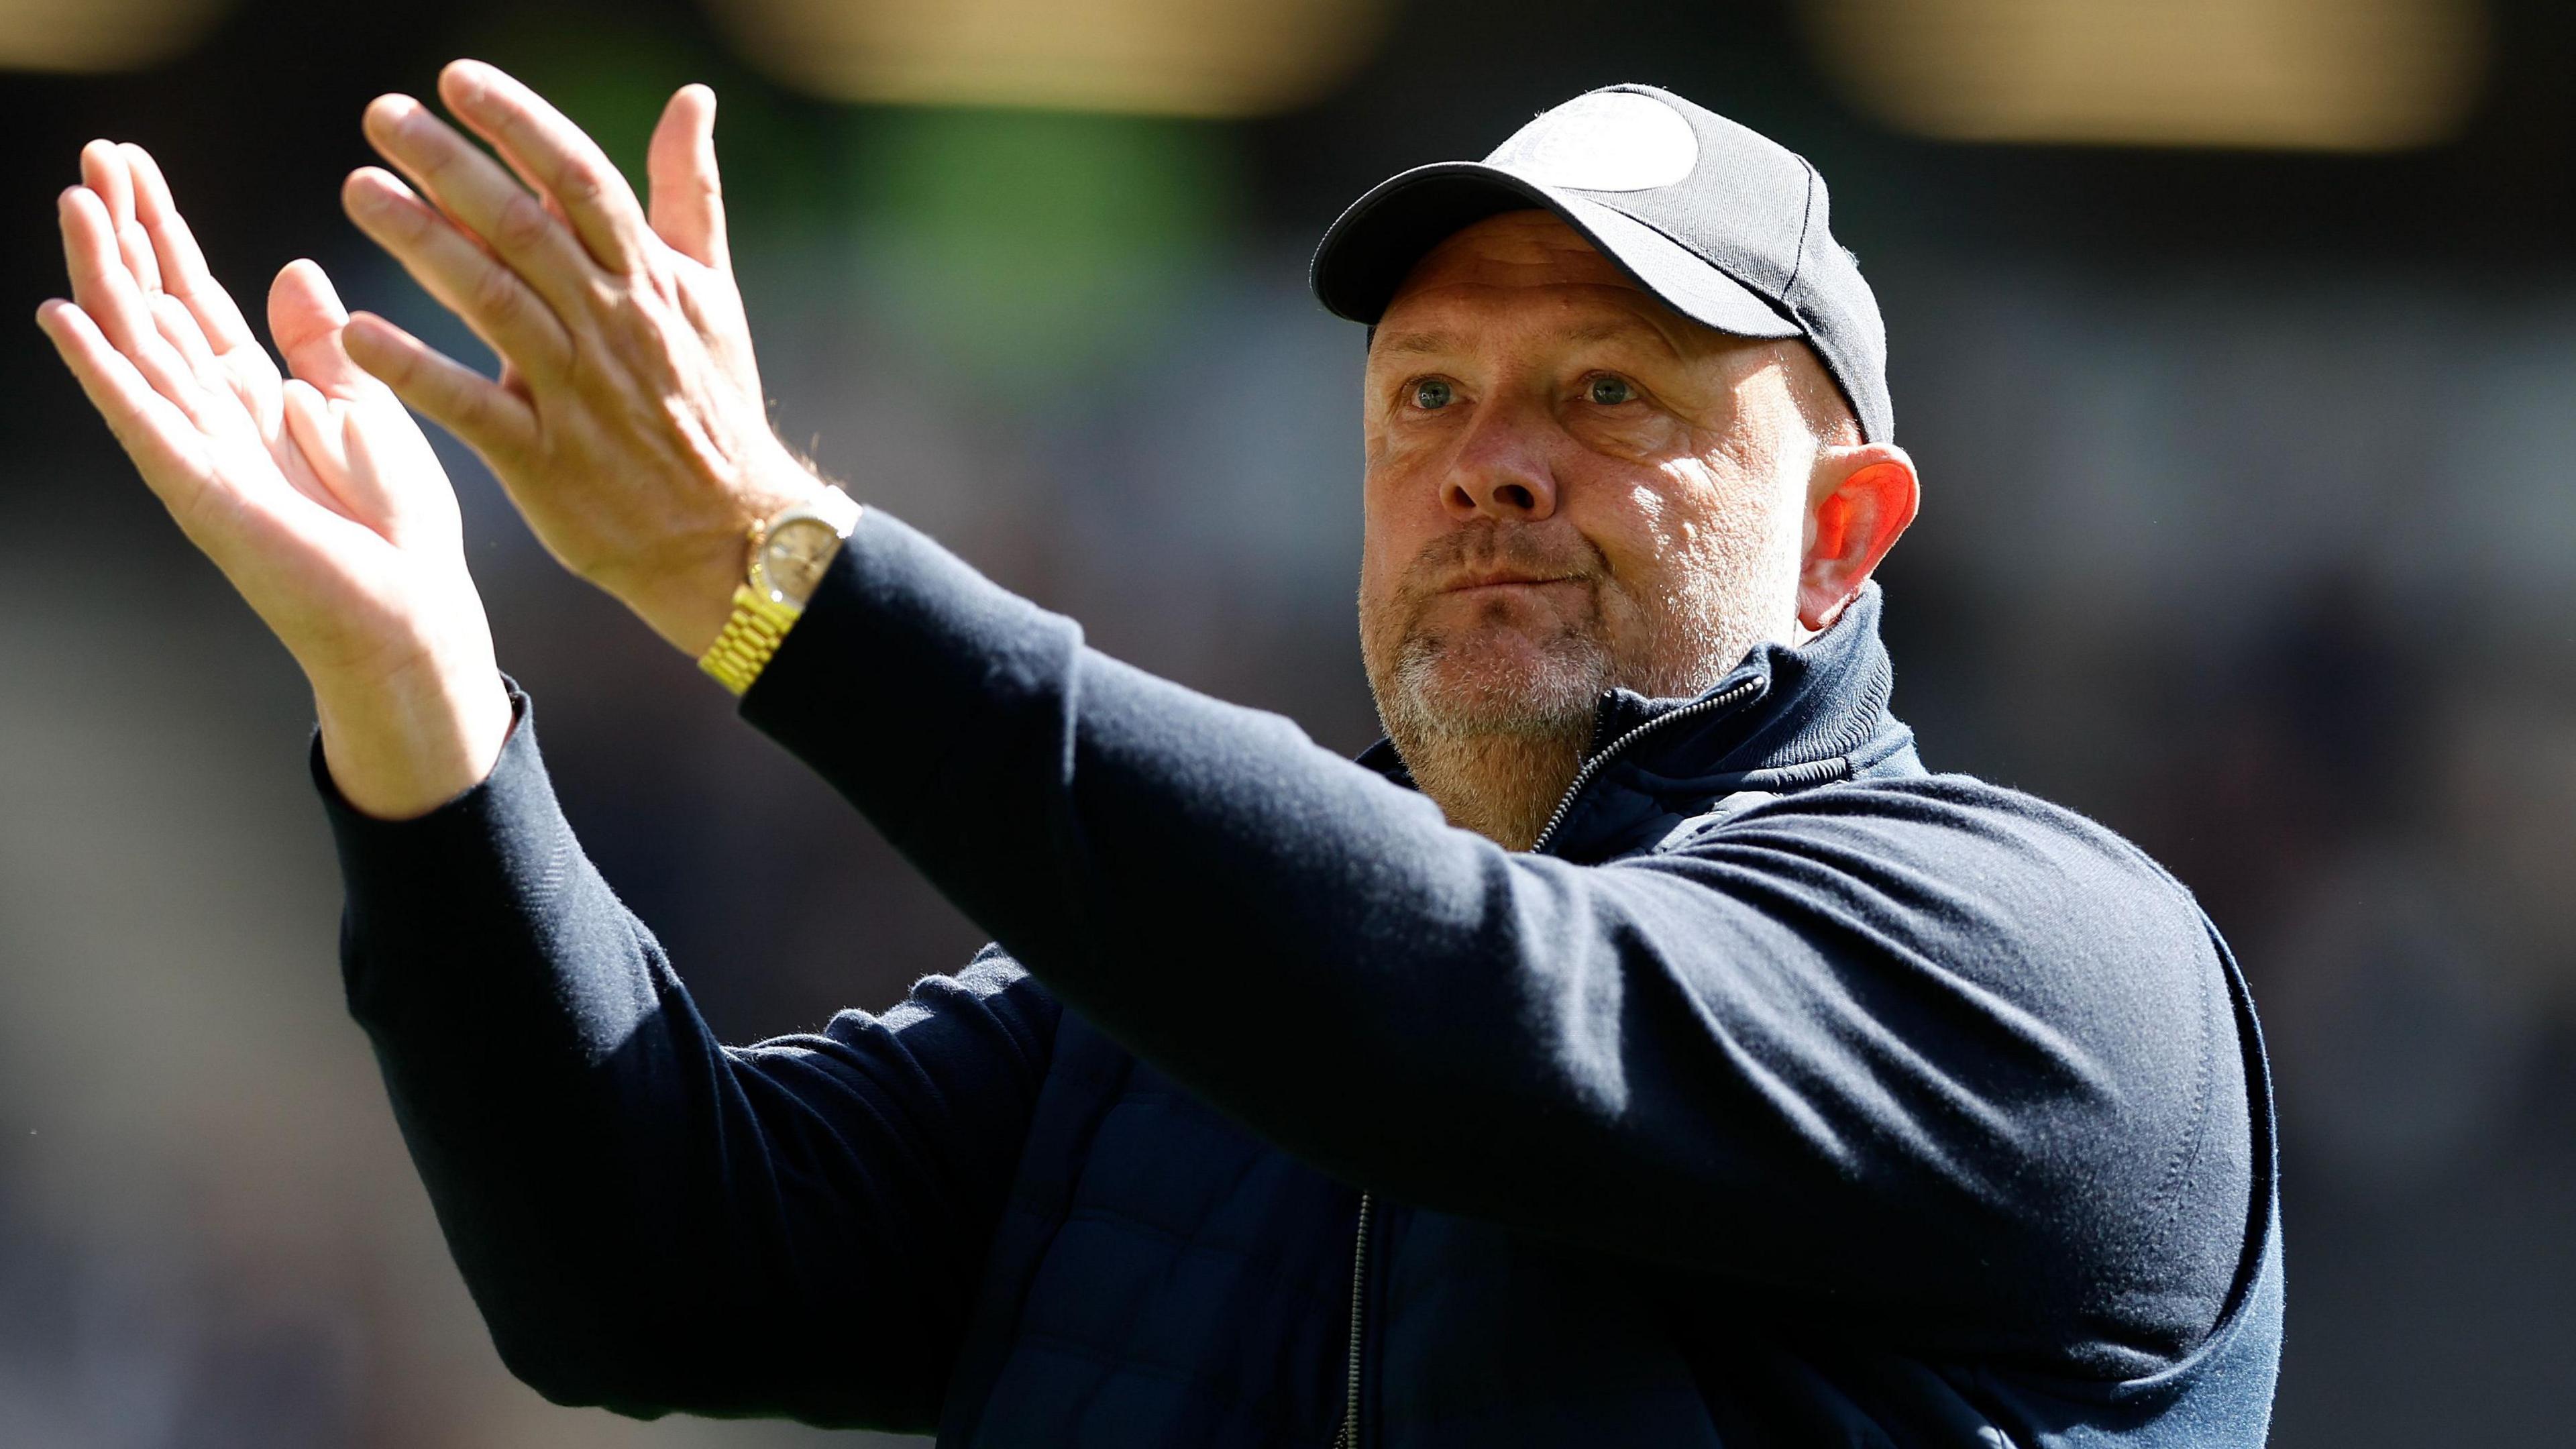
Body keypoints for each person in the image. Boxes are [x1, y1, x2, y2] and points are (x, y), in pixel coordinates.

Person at [37, 67, 2282, 1448]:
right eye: (1426, 398)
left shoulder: (2053, 968)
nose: (1490, 465)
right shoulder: (1169, 1015)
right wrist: (423, 718)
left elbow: (1489, 1013)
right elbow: (648, 1268)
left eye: (1614, 395)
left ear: (1845, 538)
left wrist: (768, 569)